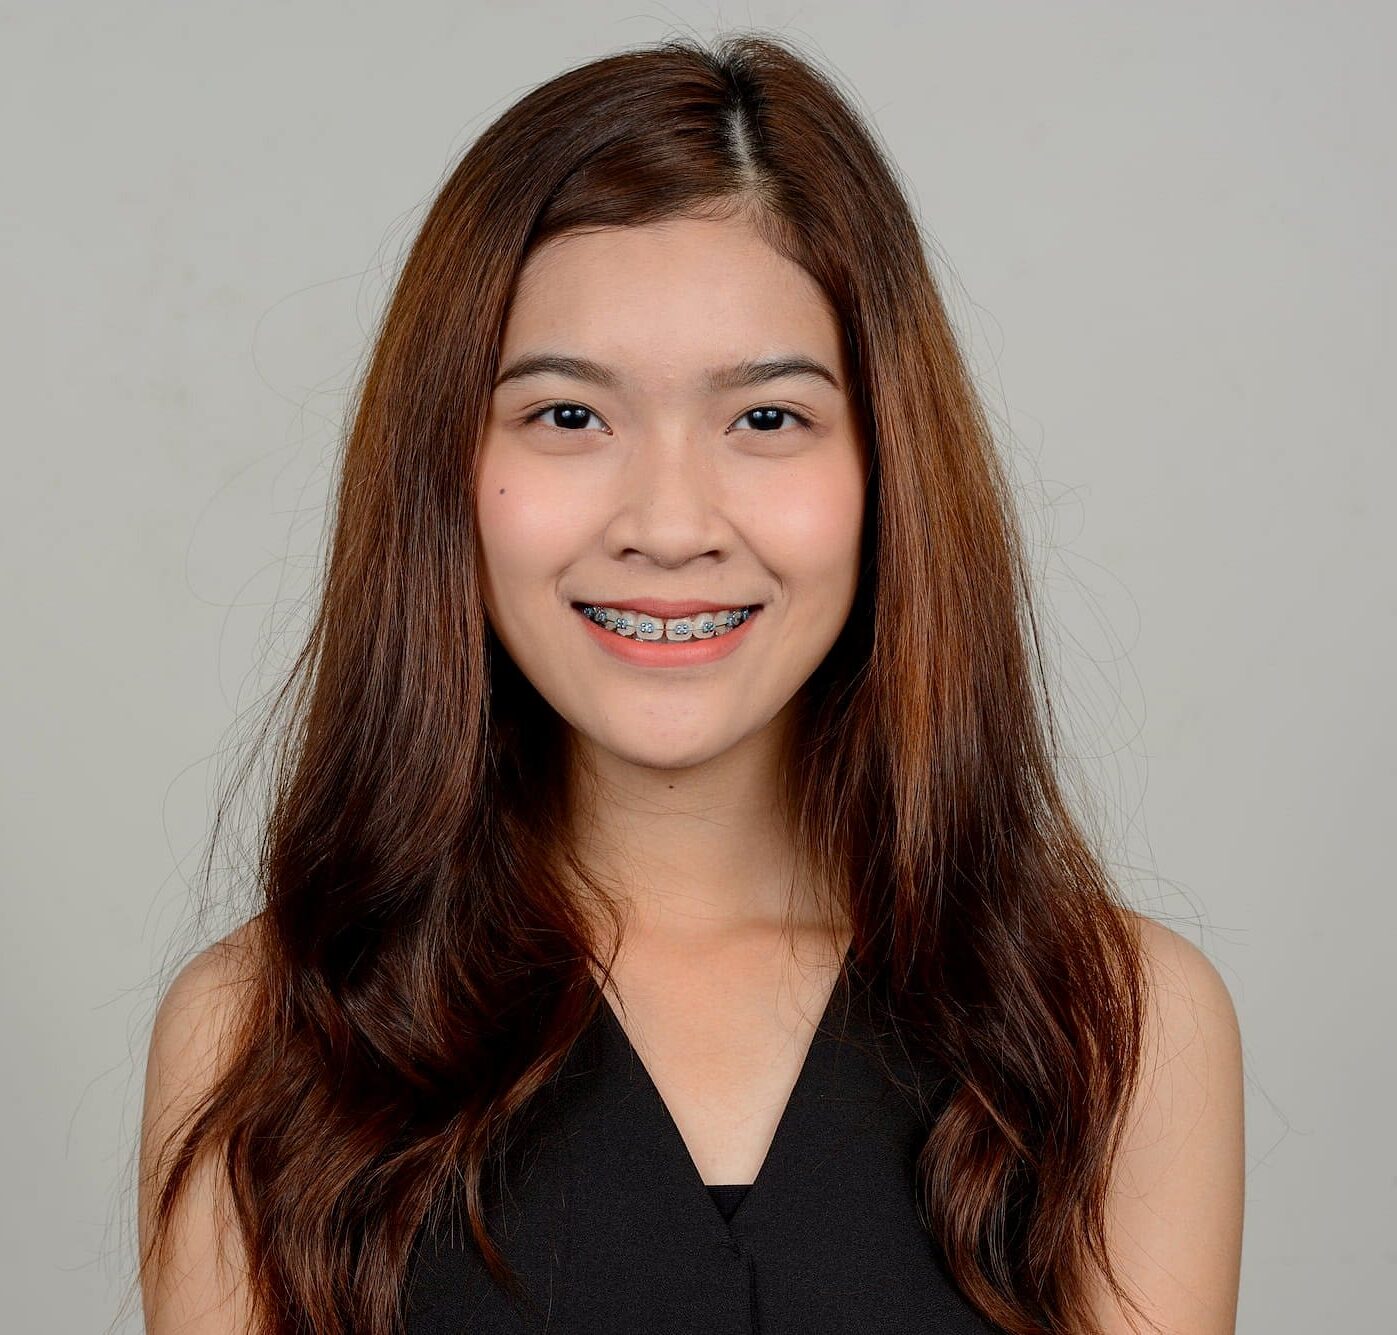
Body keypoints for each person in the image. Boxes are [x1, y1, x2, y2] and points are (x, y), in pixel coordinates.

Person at [136, 32, 1244, 1335]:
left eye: (766, 418)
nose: (668, 523)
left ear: (885, 472)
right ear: (446, 473)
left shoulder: (1114, 1028)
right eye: (567, 416)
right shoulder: (263, 1036)